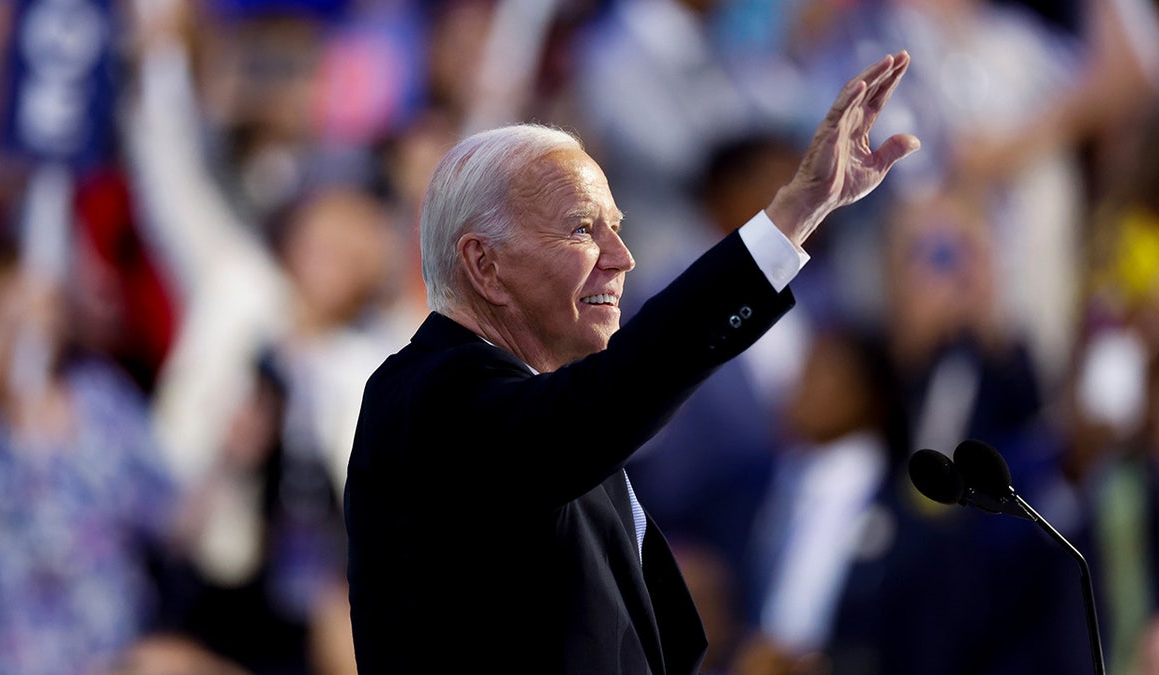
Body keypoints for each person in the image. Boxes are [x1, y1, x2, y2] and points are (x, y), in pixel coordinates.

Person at [345, 51, 920, 673]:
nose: (622, 258)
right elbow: (618, 392)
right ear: (485, 266)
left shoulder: (540, 414)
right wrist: (792, 216)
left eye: (616, 228)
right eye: (582, 230)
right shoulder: (432, 395)